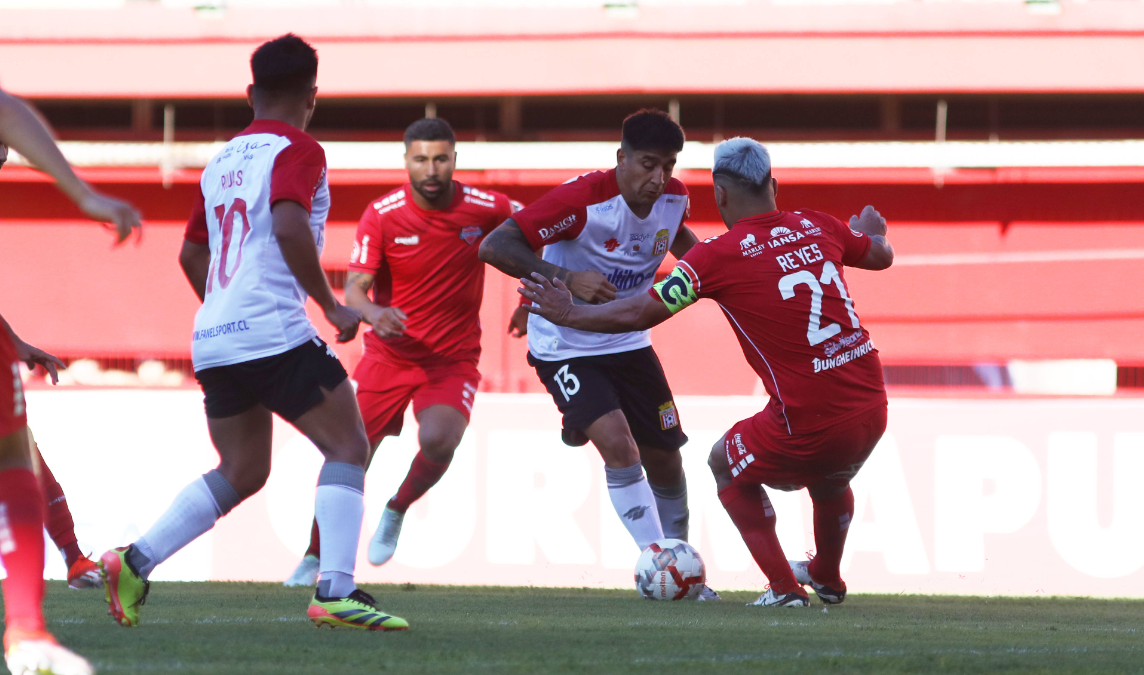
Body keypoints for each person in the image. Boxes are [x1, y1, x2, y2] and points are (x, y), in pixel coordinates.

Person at [98, 34, 408, 632]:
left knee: (242, 470)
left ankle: (134, 561)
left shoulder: (220, 161)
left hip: (214, 337)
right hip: (273, 330)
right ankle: (335, 591)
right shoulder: (301, 149)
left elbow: (191, 254)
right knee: (349, 446)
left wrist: (226, 309)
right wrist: (331, 307)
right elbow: (290, 224)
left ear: (250, 94)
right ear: (311, 98)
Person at [519, 137, 893, 607]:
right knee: (831, 479)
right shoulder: (819, 224)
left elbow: (639, 314)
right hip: (872, 404)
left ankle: (783, 589)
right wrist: (875, 233)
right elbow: (879, 255)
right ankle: (828, 578)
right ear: (773, 185)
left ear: (719, 194)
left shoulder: (717, 257)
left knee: (725, 465)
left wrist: (568, 313)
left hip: (808, 416)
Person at [0, 32, 141, 675]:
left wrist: (14, 342)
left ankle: (69, 565)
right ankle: (27, 630)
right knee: (10, 456)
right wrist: (82, 194)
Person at [479, 109, 719, 600]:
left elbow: (679, 240)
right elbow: (495, 244)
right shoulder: (582, 200)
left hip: (628, 340)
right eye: (648, 164)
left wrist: (715, 273)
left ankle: (681, 564)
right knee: (619, 444)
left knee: (667, 461)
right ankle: (668, 572)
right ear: (621, 158)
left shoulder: (675, 198)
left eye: (668, 166)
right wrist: (567, 280)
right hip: (565, 343)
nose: (658, 178)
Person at [284, 118, 517, 586]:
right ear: (405, 160)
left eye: (441, 158)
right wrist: (374, 314)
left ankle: (397, 507)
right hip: (389, 358)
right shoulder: (384, 214)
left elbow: (537, 230)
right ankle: (314, 555)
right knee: (349, 455)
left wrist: (533, 299)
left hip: (451, 360)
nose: (431, 169)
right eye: (420, 159)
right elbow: (355, 291)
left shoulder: (487, 207)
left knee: (439, 440)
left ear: (455, 159)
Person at [0, 114, 103, 591]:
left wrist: (14, 343)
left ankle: (75, 560)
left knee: (3, 453)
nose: (2, 154)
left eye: (6, 144)